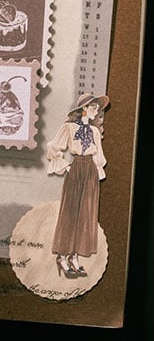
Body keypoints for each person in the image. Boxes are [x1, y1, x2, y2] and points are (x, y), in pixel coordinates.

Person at [47, 92, 109, 278]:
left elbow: (99, 157)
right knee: (70, 212)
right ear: (83, 109)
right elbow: (53, 146)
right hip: (76, 170)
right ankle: (62, 256)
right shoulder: (69, 128)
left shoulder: (95, 132)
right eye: (93, 107)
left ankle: (74, 257)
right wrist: (66, 166)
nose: (96, 111)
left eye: (97, 108)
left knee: (85, 214)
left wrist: (95, 173)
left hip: (90, 171)